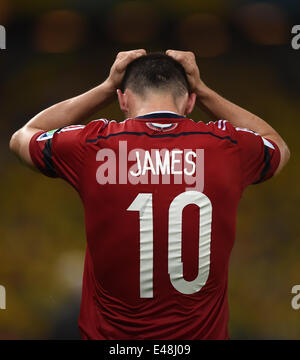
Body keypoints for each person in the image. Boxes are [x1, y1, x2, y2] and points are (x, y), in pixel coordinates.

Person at [9, 50, 290, 340]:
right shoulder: (227, 146)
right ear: (191, 101)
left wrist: (105, 87)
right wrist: (205, 90)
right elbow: (278, 148)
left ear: (122, 99)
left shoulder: (93, 145)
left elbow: (24, 136)